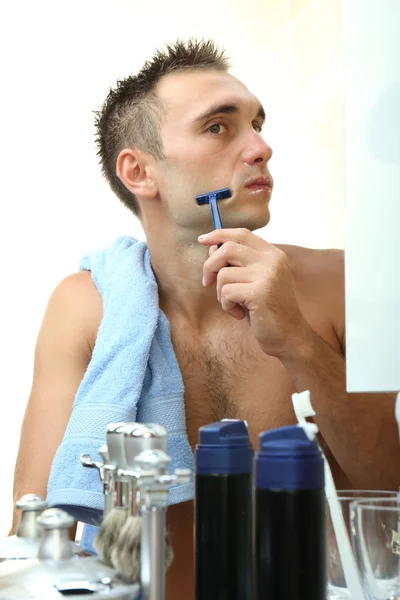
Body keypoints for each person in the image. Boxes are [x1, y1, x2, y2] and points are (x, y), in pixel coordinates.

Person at [10, 39, 399, 599]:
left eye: (257, 124)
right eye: (218, 127)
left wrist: (296, 340)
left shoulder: (340, 282)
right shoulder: (85, 308)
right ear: (139, 171)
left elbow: (392, 487)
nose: (261, 147)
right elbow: (38, 532)